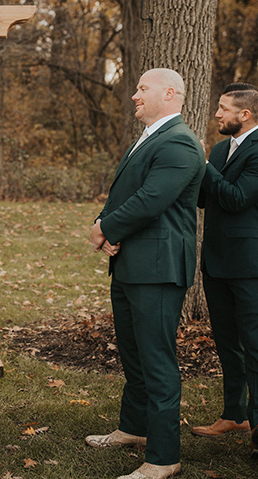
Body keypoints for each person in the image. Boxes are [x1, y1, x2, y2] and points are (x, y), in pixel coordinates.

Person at [85, 68, 205, 479]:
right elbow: (125, 192)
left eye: (142, 89)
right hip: (132, 263)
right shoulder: (151, 137)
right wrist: (108, 224)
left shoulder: (182, 143)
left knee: (156, 359)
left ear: (170, 93)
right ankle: (133, 429)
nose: (134, 95)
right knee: (133, 353)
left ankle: (164, 457)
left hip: (158, 268)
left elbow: (152, 199)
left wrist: (105, 228)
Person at [190, 83, 258, 459]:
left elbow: (235, 199)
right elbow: (204, 198)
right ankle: (234, 413)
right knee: (227, 341)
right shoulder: (219, 149)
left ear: (244, 115)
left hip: (249, 263)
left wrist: (204, 167)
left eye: (223, 108)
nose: (217, 114)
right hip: (216, 260)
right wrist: (199, 170)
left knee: (256, 342)